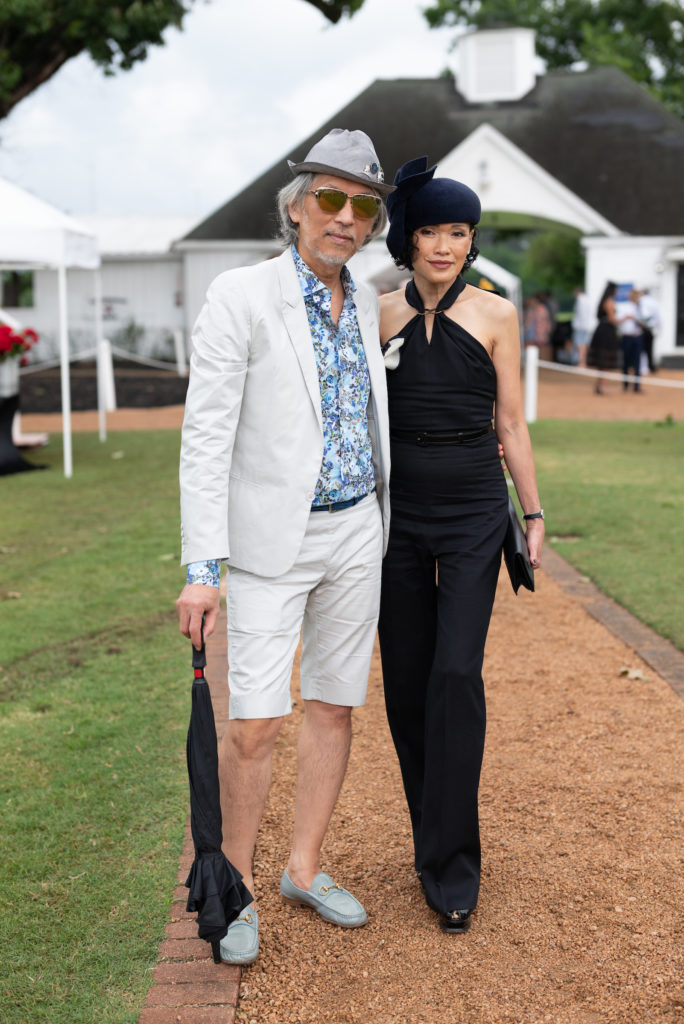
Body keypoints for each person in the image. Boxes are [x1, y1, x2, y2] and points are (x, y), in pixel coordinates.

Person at [176, 129, 392, 965]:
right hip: (272, 541)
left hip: (357, 530)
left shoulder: (366, 300)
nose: (346, 217)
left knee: (334, 705)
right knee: (256, 724)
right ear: (297, 207)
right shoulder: (241, 294)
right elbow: (206, 435)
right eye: (330, 198)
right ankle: (233, 890)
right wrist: (203, 570)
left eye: (363, 206)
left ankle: (303, 868)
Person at [377, 157, 545, 934]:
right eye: (431, 231)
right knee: (407, 685)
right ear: (409, 239)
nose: (445, 245)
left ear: (471, 241)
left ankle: (453, 866)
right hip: (396, 515)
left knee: (455, 673)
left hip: (476, 506)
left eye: (459, 232)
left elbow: (510, 422)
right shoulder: (376, 313)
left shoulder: (498, 314)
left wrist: (532, 513)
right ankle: (431, 838)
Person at [588, 282, 620, 394]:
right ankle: (601, 386)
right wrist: (625, 318)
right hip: (607, 333)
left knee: (602, 362)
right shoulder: (610, 301)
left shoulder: (605, 301)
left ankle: (599, 385)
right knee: (605, 361)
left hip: (602, 332)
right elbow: (612, 319)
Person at [618, 288, 644, 392]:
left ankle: (636, 386)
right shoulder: (624, 306)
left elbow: (643, 321)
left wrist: (639, 321)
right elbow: (618, 320)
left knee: (637, 362)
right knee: (626, 361)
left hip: (637, 337)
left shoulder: (640, 307)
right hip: (627, 337)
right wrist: (627, 317)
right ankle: (625, 385)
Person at [637, 287, 661, 373]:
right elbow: (658, 317)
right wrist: (659, 328)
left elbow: (643, 315)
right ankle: (650, 367)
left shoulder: (640, 301)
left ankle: (643, 367)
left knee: (642, 349)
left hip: (641, 328)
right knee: (649, 349)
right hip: (649, 328)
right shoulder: (653, 302)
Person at [572, 285, 593, 367]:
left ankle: (581, 362)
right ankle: (583, 362)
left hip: (581, 326)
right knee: (584, 344)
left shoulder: (580, 300)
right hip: (586, 326)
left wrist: (578, 325)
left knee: (580, 344)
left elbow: (581, 314)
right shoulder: (587, 300)